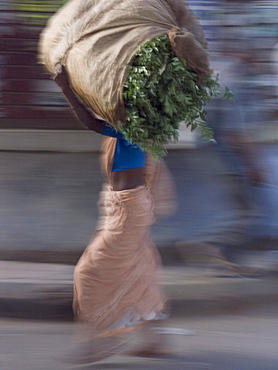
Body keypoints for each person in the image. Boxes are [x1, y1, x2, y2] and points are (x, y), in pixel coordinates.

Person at [53, 65, 176, 363]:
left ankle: (97, 343)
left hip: (128, 212)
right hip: (125, 207)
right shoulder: (141, 122)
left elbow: (92, 122)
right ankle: (156, 341)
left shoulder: (135, 123)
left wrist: (66, 87)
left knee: (89, 272)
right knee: (139, 270)